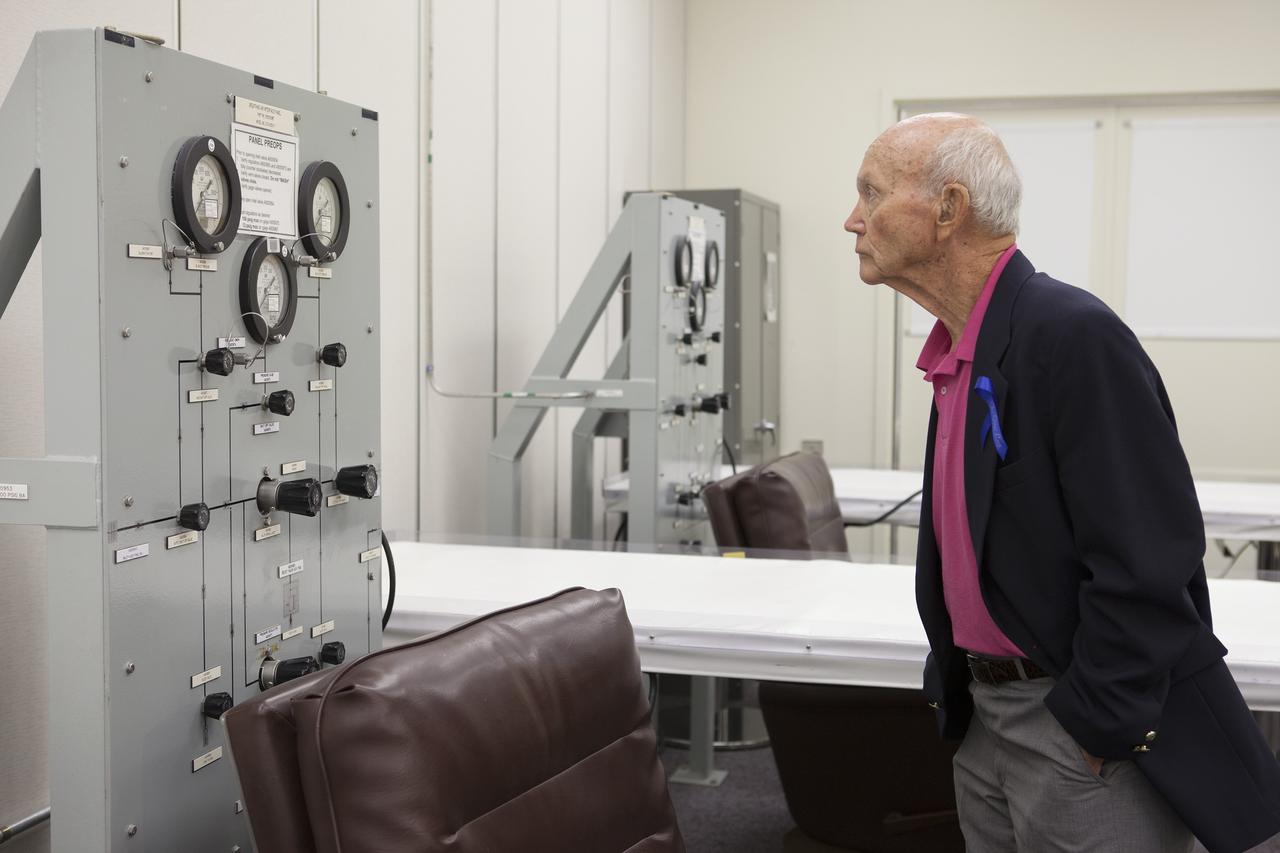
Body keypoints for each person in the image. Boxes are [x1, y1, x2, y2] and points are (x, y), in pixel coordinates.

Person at [844, 113, 1280, 853]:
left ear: (949, 209)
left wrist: (1095, 726)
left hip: (1075, 726)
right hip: (988, 717)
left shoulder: (1070, 334)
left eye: (871, 193)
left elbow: (1150, 558)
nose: (852, 219)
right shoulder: (960, 350)